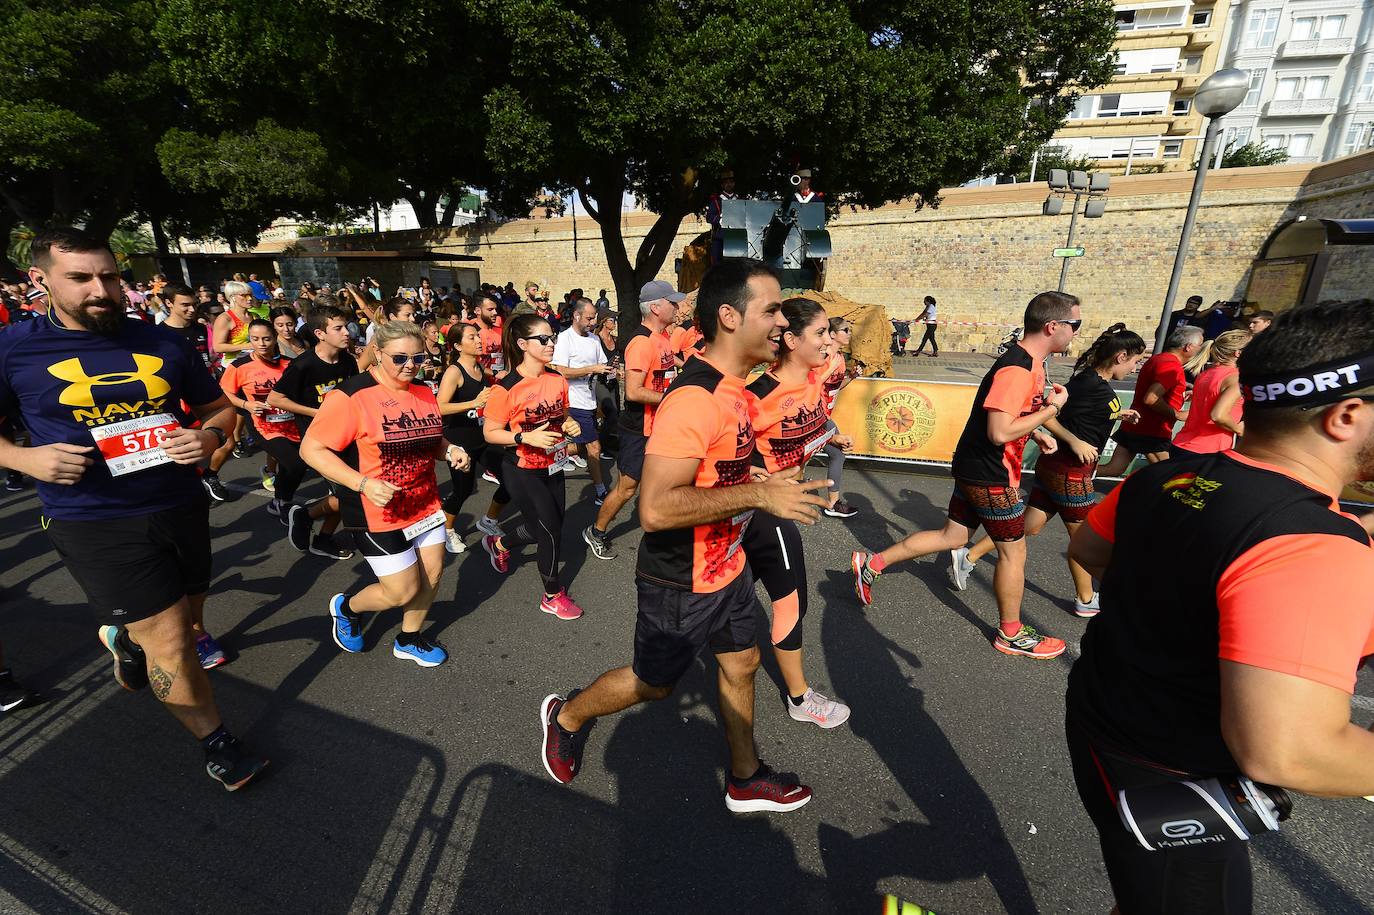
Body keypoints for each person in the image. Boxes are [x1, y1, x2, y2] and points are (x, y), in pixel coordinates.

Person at [1064, 298, 1374, 913]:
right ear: (1345, 415)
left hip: (1105, 730)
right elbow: (1289, 750)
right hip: (1182, 782)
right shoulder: (1311, 545)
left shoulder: (1162, 479)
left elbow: (1088, 548)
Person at [539, 258, 831, 812]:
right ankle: (567, 714)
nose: (781, 325)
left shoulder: (739, 393)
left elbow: (719, 473)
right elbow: (654, 509)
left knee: (742, 662)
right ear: (729, 316)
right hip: (680, 579)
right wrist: (756, 495)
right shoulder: (694, 398)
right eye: (771, 311)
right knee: (655, 684)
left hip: (730, 566)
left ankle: (744, 778)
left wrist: (760, 478)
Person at [0, 226, 267, 788]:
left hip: (178, 503)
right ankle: (217, 742)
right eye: (80, 278)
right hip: (92, 518)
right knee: (172, 644)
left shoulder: (162, 341)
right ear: (40, 279)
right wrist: (23, 460)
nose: (100, 289)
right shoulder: (14, 348)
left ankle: (123, 638)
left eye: (109, 275)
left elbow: (219, 409)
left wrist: (210, 438)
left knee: (191, 623)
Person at [852, 291, 1079, 660]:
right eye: (1075, 325)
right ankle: (1011, 632)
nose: (1076, 334)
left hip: (980, 468)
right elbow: (999, 432)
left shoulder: (1031, 364)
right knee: (1014, 553)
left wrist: (1036, 430)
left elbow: (1002, 415)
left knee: (952, 535)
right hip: (991, 473)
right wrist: (1051, 409)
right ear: (1054, 326)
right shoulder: (1018, 368)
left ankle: (872, 564)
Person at [302, 320, 469, 668]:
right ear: (377, 353)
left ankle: (408, 639)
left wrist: (451, 450)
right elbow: (312, 449)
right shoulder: (351, 396)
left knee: (433, 576)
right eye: (400, 358)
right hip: (376, 511)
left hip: (424, 503)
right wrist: (363, 483)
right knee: (400, 592)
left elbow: (431, 439)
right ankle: (346, 608)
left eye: (418, 358)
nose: (410, 365)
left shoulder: (423, 392)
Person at [955, 325, 1146, 617]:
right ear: (1121, 356)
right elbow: (1050, 416)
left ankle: (969, 555)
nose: (1136, 367)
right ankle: (1086, 598)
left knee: (1030, 525)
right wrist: (1075, 441)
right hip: (1068, 470)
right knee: (1085, 540)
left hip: (1064, 469)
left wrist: (1119, 414)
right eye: (1135, 361)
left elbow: (1084, 413)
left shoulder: (1098, 386)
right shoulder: (1086, 384)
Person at [745, 298, 850, 729]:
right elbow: (725, 454)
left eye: (830, 333)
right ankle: (799, 697)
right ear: (790, 339)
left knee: (723, 598)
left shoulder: (812, 382)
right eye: (821, 333)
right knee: (791, 599)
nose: (830, 342)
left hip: (781, 504)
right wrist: (758, 480)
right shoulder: (757, 397)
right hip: (760, 509)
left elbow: (811, 424)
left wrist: (832, 435)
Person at [481, 313, 585, 620]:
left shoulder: (556, 379)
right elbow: (490, 433)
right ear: (522, 343)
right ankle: (552, 594)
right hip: (521, 466)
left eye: (552, 337)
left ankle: (499, 543)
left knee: (549, 526)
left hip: (554, 462)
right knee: (550, 529)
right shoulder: (506, 387)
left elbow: (561, 416)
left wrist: (571, 424)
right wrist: (525, 437)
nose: (551, 343)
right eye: (543, 339)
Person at [582, 280, 682, 560]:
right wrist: (673, 398)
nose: (677, 307)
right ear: (655, 307)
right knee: (627, 487)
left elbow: (665, 371)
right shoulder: (641, 342)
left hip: (661, 425)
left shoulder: (663, 338)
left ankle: (662, 527)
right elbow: (635, 392)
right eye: (671, 302)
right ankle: (596, 530)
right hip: (639, 427)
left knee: (667, 479)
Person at [267, 305, 358, 557]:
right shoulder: (303, 365)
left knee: (348, 493)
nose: (346, 333)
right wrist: (316, 412)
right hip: (320, 442)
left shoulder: (348, 361)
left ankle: (319, 534)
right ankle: (307, 516)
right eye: (338, 328)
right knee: (348, 492)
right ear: (320, 333)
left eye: (346, 326)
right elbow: (275, 399)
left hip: (348, 436)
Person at [436, 322, 510, 554]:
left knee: (510, 479)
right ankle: (447, 531)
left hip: (483, 438)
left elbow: (493, 382)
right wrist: (473, 403)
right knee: (463, 490)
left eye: (478, 336)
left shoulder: (479, 367)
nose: (479, 340)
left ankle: (489, 520)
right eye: (472, 337)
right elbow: (439, 408)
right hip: (460, 443)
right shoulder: (454, 372)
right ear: (458, 345)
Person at [1099, 325, 1202, 475]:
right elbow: (1151, 398)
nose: (1201, 349)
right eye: (1200, 345)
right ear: (1188, 347)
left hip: (1136, 424)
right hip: (1152, 429)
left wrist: (1180, 387)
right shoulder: (1171, 365)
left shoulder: (1159, 359)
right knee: (1168, 475)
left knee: (1114, 469)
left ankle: (1072, 474)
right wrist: (1177, 414)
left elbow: (1155, 385)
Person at [552, 298, 611, 498]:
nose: (593, 322)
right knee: (594, 447)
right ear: (576, 316)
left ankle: (547, 456)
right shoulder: (565, 338)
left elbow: (602, 364)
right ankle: (601, 490)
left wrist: (611, 371)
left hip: (590, 400)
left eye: (594, 318)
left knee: (582, 446)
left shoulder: (594, 340)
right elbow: (561, 371)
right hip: (573, 402)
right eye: (589, 318)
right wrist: (591, 368)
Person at [1172, 329, 1250, 457]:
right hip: (1207, 452)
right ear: (1238, 353)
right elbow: (1218, 415)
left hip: (1182, 445)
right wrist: (1239, 430)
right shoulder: (1235, 378)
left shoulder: (1206, 373)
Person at [819, 316, 859, 519]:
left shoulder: (839, 358)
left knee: (836, 454)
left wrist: (851, 377)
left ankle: (832, 503)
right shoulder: (822, 357)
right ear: (832, 334)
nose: (849, 334)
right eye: (845, 330)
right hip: (814, 416)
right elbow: (811, 385)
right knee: (836, 454)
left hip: (824, 416)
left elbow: (835, 387)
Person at [158, 284, 214, 374]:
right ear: (168, 303)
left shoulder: (201, 328)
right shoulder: (160, 334)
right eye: (185, 305)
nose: (192, 309)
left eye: (194, 304)